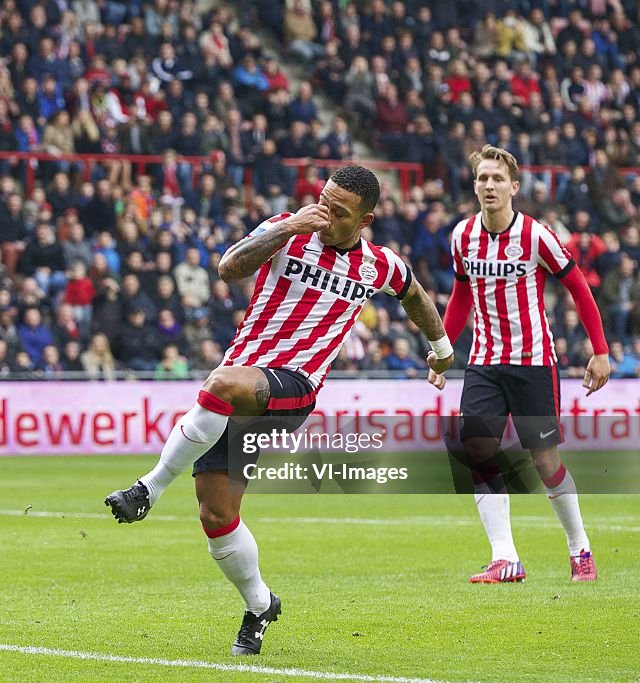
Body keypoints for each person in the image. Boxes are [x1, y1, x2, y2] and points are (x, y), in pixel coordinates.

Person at [105, 166, 454, 655]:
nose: (326, 213)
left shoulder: (379, 264)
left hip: (294, 388)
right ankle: (260, 604)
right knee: (215, 515)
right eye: (324, 200)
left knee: (221, 382)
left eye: (340, 211)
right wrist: (287, 227)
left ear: (366, 219)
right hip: (236, 390)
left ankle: (149, 487)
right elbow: (228, 268)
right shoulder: (286, 230)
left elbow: (415, 296)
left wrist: (440, 348)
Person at [432, 145, 610, 583]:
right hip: (484, 361)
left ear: (514, 187)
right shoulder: (461, 236)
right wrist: (442, 348)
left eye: (497, 179)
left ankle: (579, 546)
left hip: (533, 362)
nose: (489, 186)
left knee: (545, 462)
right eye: (482, 179)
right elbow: (461, 298)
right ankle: (504, 557)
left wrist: (600, 350)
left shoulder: (537, 236)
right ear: (474, 186)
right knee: (476, 448)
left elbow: (579, 289)